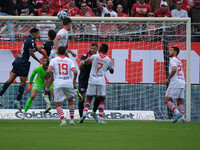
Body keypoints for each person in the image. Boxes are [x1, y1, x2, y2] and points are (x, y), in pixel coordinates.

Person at [0, 28, 47, 111]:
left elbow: (37, 48)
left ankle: (0, 95)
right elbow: (31, 52)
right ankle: (17, 100)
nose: (39, 35)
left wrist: (45, 55)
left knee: (10, 80)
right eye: (38, 33)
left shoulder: (28, 39)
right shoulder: (31, 40)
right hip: (23, 63)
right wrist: (39, 60)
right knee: (23, 83)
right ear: (34, 33)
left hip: (17, 60)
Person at [79, 44, 114, 124]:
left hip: (92, 80)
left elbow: (87, 62)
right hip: (101, 81)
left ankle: (85, 112)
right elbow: (112, 71)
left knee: (89, 98)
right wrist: (108, 68)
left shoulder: (94, 56)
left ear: (100, 49)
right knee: (101, 99)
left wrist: (84, 61)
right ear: (106, 50)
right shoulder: (109, 60)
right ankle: (100, 119)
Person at [43, 17, 76, 101]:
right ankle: (69, 92)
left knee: (55, 75)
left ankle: (46, 92)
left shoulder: (65, 32)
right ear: (69, 24)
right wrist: (57, 50)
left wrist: (70, 52)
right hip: (55, 54)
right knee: (59, 73)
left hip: (59, 53)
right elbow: (55, 40)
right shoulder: (63, 31)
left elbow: (63, 44)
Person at [46, 46, 77, 126]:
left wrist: (46, 79)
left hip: (58, 83)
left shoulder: (53, 60)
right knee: (70, 100)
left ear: (57, 52)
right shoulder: (69, 60)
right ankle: (72, 120)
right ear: (65, 52)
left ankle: (63, 120)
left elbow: (48, 71)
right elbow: (75, 71)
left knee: (58, 103)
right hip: (68, 83)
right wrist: (74, 80)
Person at [78, 43, 100, 122]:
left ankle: (94, 112)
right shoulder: (85, 56)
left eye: (94, 48)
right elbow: (80, 68)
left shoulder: (99, 57)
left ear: (97, 49)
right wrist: (84, 62)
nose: (92, 50)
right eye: (91, 48)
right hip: (83, 79)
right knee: (82, 98)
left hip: (93, 79)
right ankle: (81, 117)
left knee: (97, 97)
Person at [165, 46, 185, 123]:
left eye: (171, 50)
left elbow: (174, 69)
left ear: (175, 52)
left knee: (167, 100)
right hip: (182, 81)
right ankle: (182, 119)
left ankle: (177, 113)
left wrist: (168, 78)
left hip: (175, 82)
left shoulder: (173, 59)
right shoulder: (179, 60)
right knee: (179, 101)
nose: (169, 51)